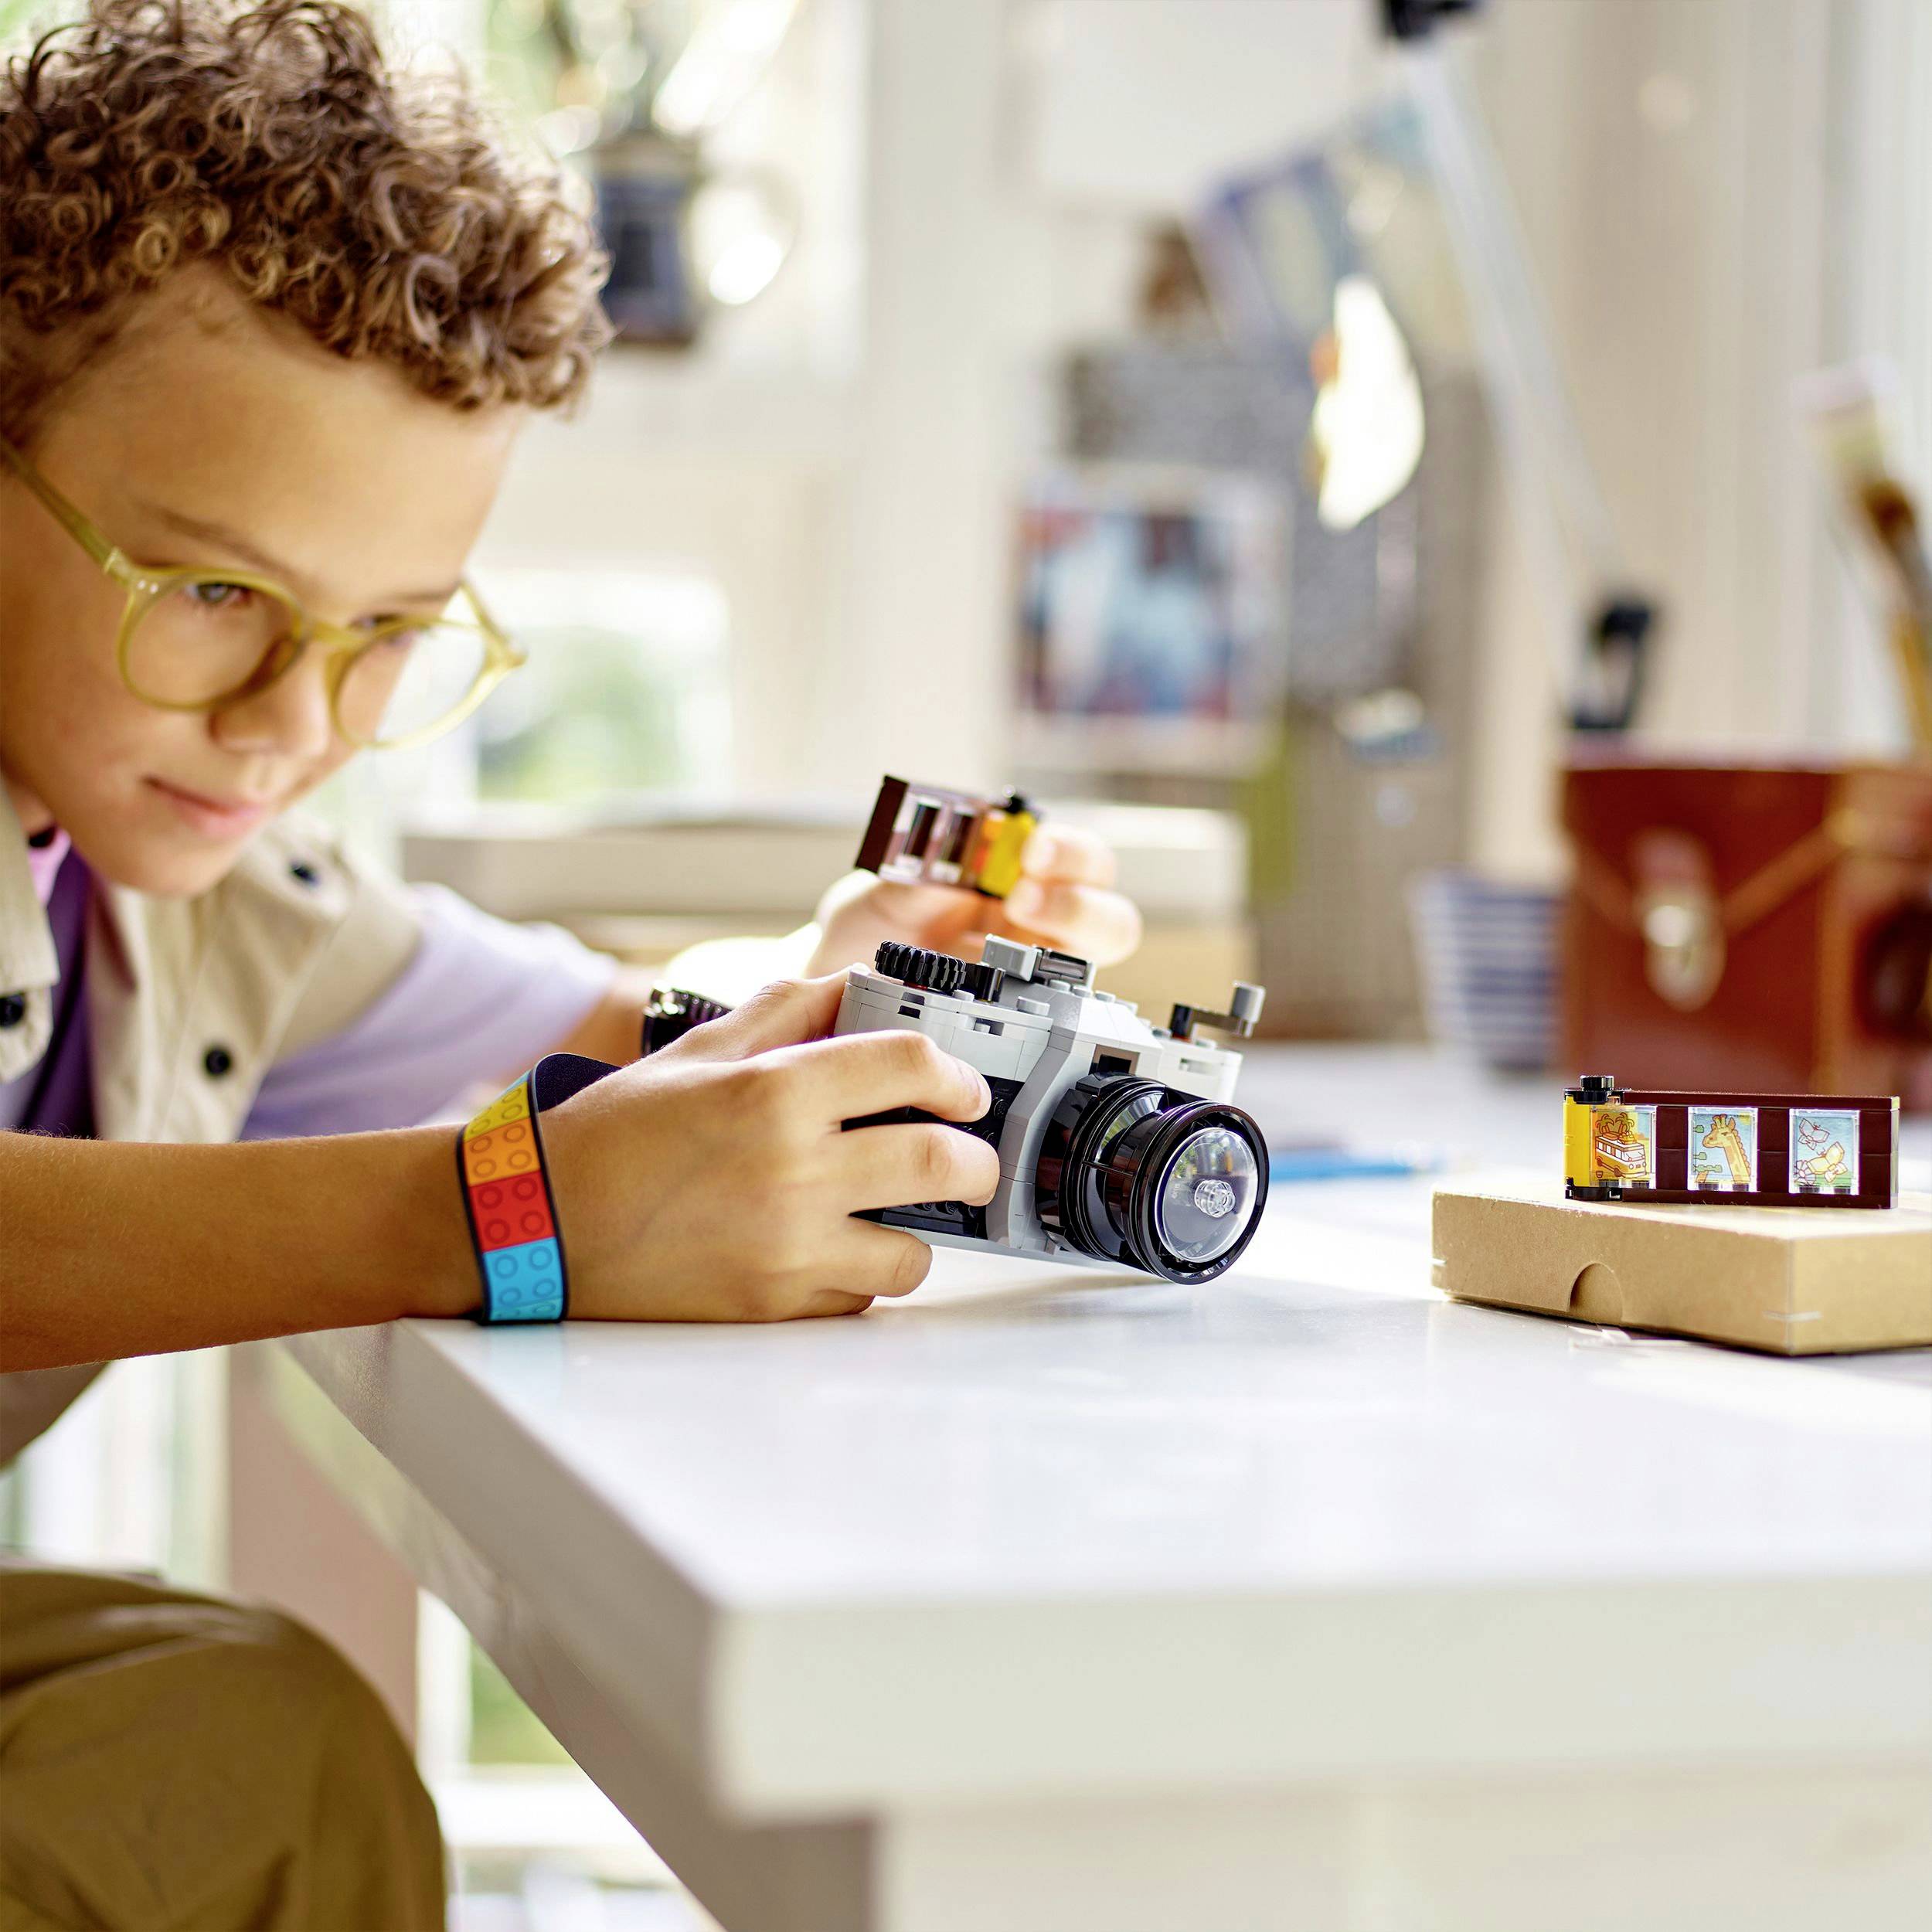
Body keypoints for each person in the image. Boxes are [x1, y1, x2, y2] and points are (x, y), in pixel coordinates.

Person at [0, 4, 1141, 1924]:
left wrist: (853, 989)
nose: (298, 718)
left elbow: (601, 1023)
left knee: (257, 1744)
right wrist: (502, 1211)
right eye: (209, 592)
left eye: (390, 628)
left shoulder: (181, 881)